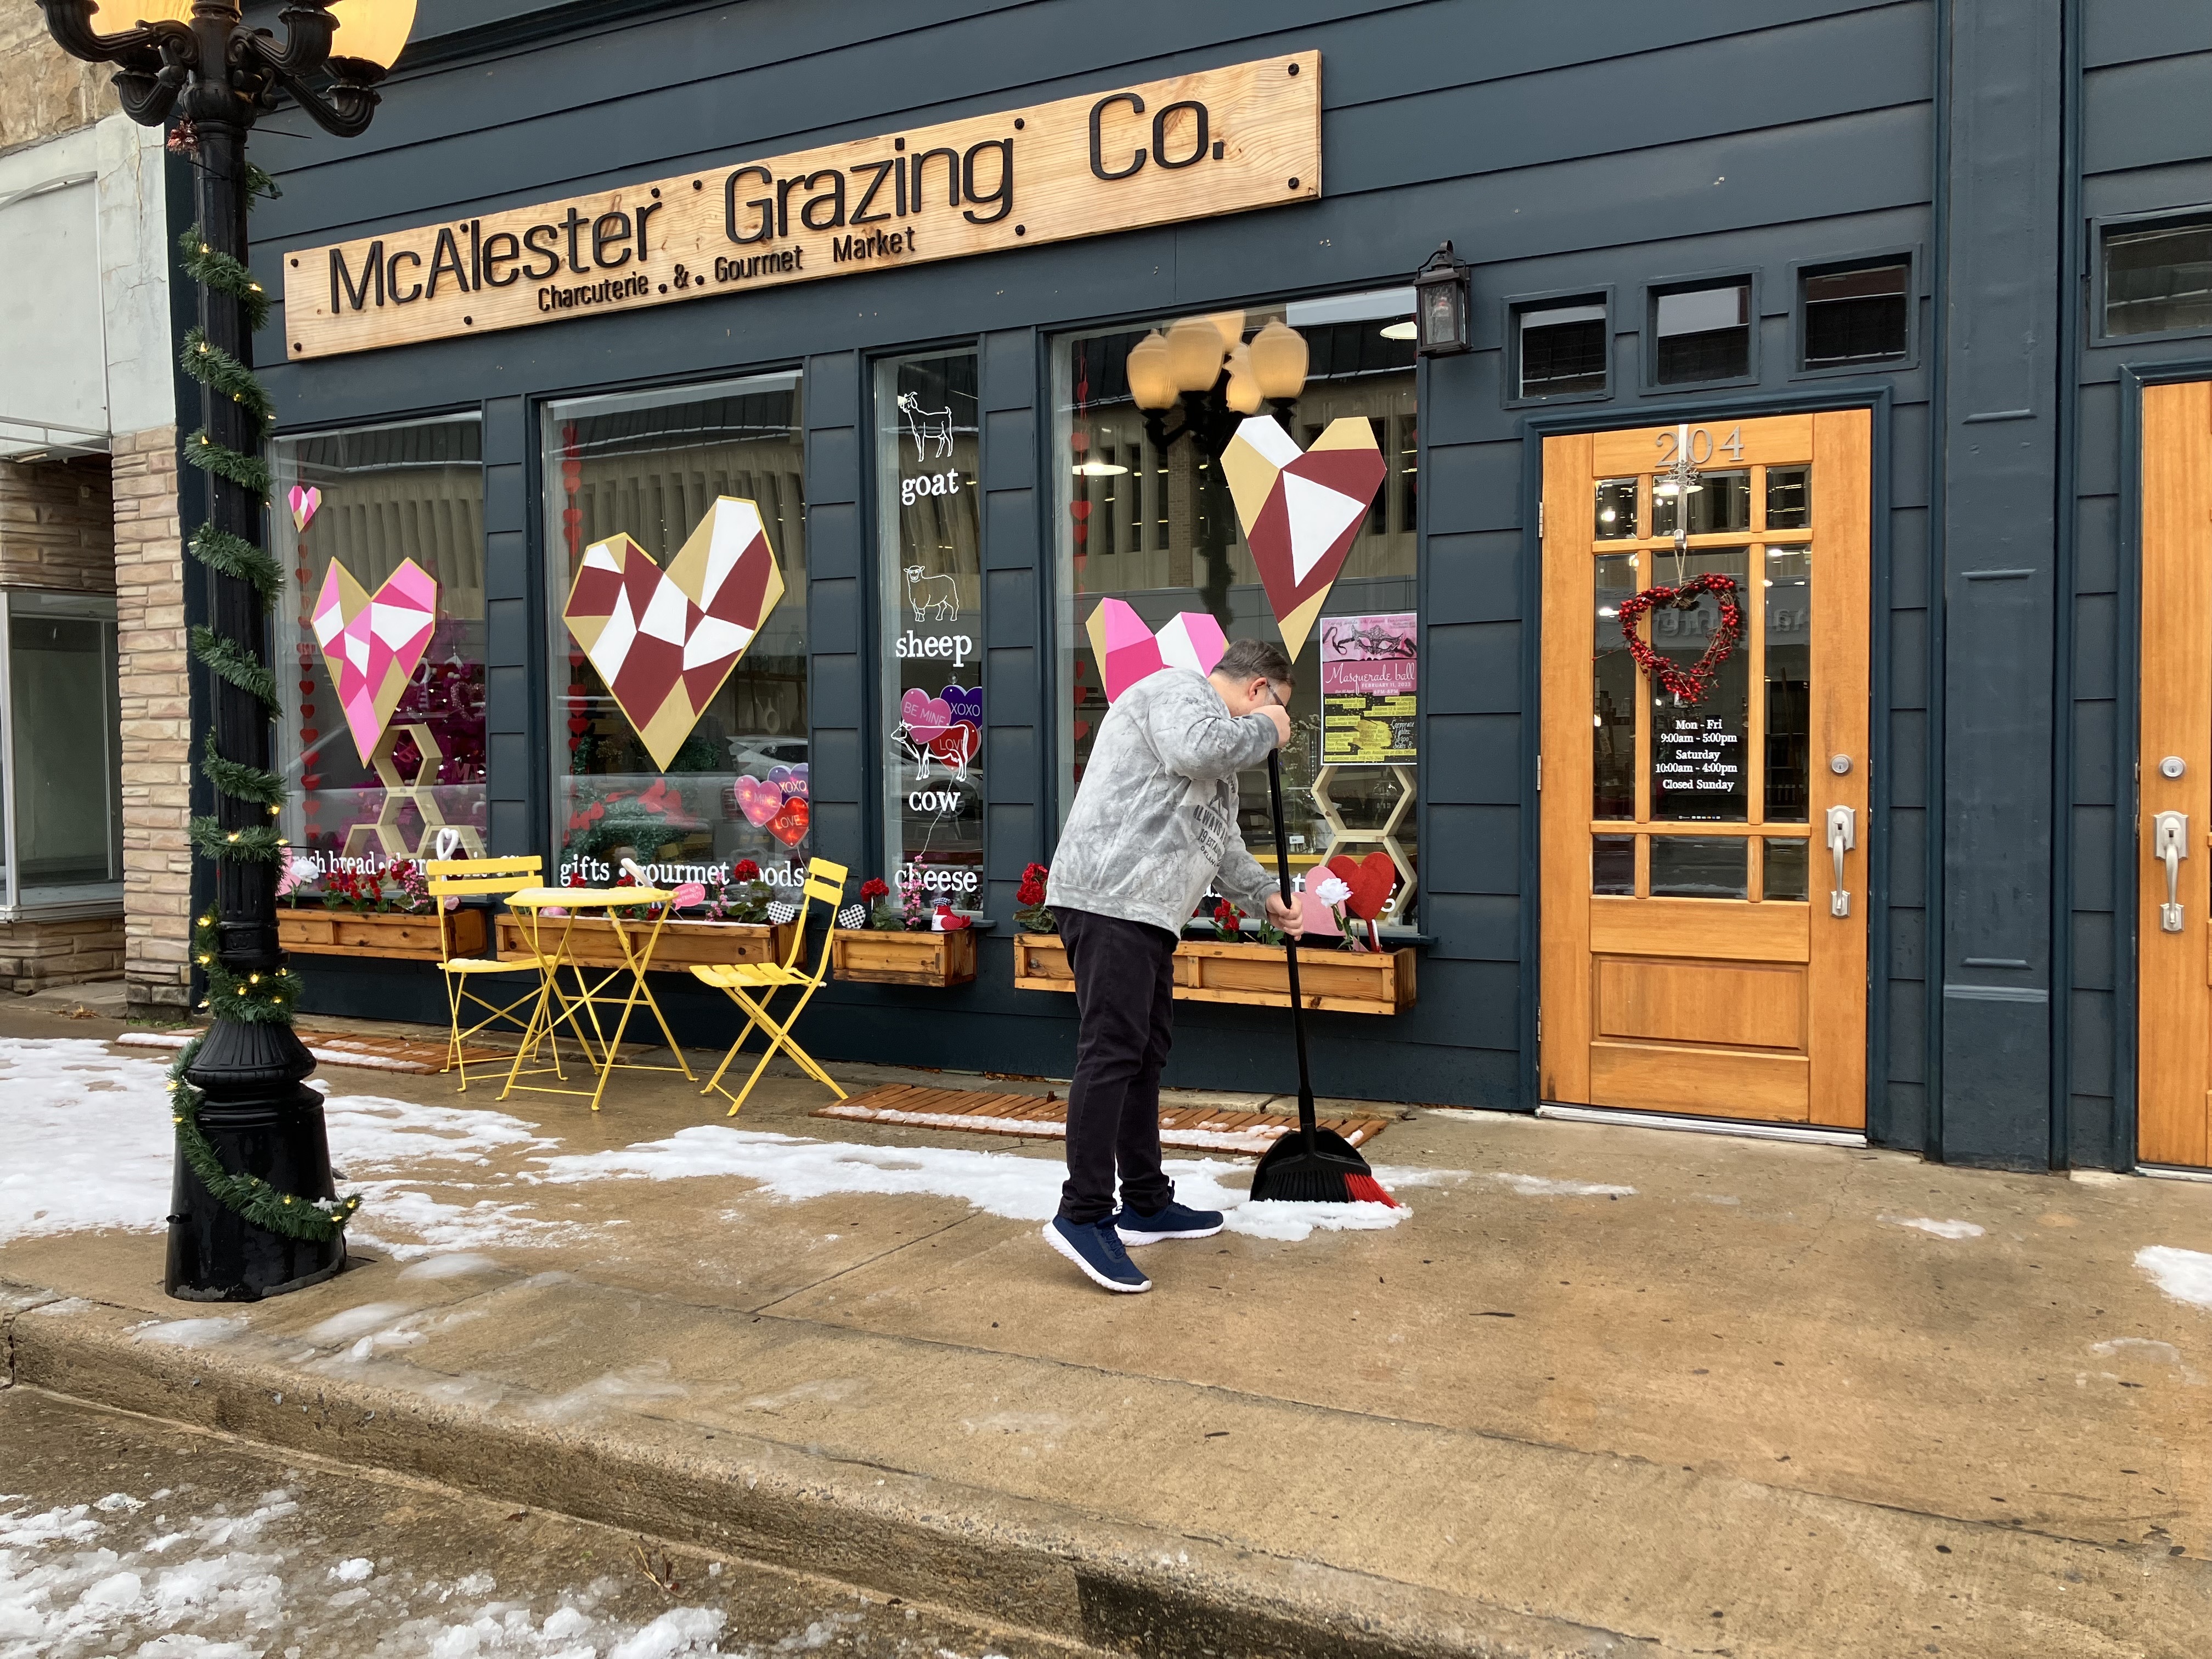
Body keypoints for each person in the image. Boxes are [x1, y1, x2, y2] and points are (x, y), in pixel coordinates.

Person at [1042, 638, 1304, 1293]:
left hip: (1149, 912)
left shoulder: (1218, 745)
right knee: (1111, 1053)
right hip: (1110, 899)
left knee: (1143, 1053)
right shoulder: (1176, 692)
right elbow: (1198, 749)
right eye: (1279, 707)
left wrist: (1264, 895)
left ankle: (1147, 1201)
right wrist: (1267, 731)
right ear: (1257, 689)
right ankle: (1082, 1214)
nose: (1281, 723)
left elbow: (1220, 839)